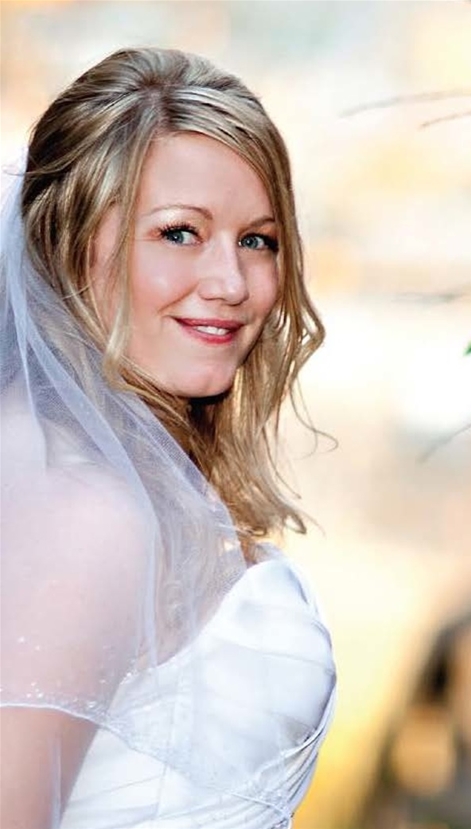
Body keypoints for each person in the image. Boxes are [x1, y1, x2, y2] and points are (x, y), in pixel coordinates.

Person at [0, 47, 335, 828]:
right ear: (69, 240)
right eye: (181, 233)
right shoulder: (83, 502)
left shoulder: (83, 468)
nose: (231, 282)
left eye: (258, 239)